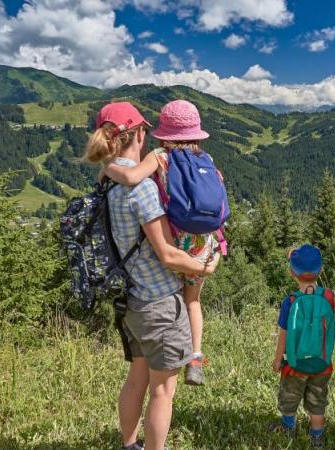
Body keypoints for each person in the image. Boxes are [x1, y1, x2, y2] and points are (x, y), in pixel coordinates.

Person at [83, 101, 219, 450]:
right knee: (163, 390)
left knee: (137, 379)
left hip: (129, 299)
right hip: (158, 302)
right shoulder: (141, 187)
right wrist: (204, 267)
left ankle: (130, 445)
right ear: (140, 133)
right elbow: (170, 254)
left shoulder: (109, 180)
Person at [103, 99, 223, 386]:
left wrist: (107, 167)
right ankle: (195, 357)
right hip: (201, 245)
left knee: (174, 294)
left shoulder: (160, 156)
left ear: (162, 133)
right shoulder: (205, 159)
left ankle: (174, 348)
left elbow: (132, 176)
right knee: (193, 300)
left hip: (175, 243)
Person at [270, 244, 334, 449]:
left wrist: (278, 359)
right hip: (322, 362)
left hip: (295, 364)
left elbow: (284, 334)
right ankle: (317, 436)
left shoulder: (290, 301)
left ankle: (288, 426)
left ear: (291, 272)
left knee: (289, 395)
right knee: (317, 400)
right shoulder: (329, 297)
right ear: (320, 270)